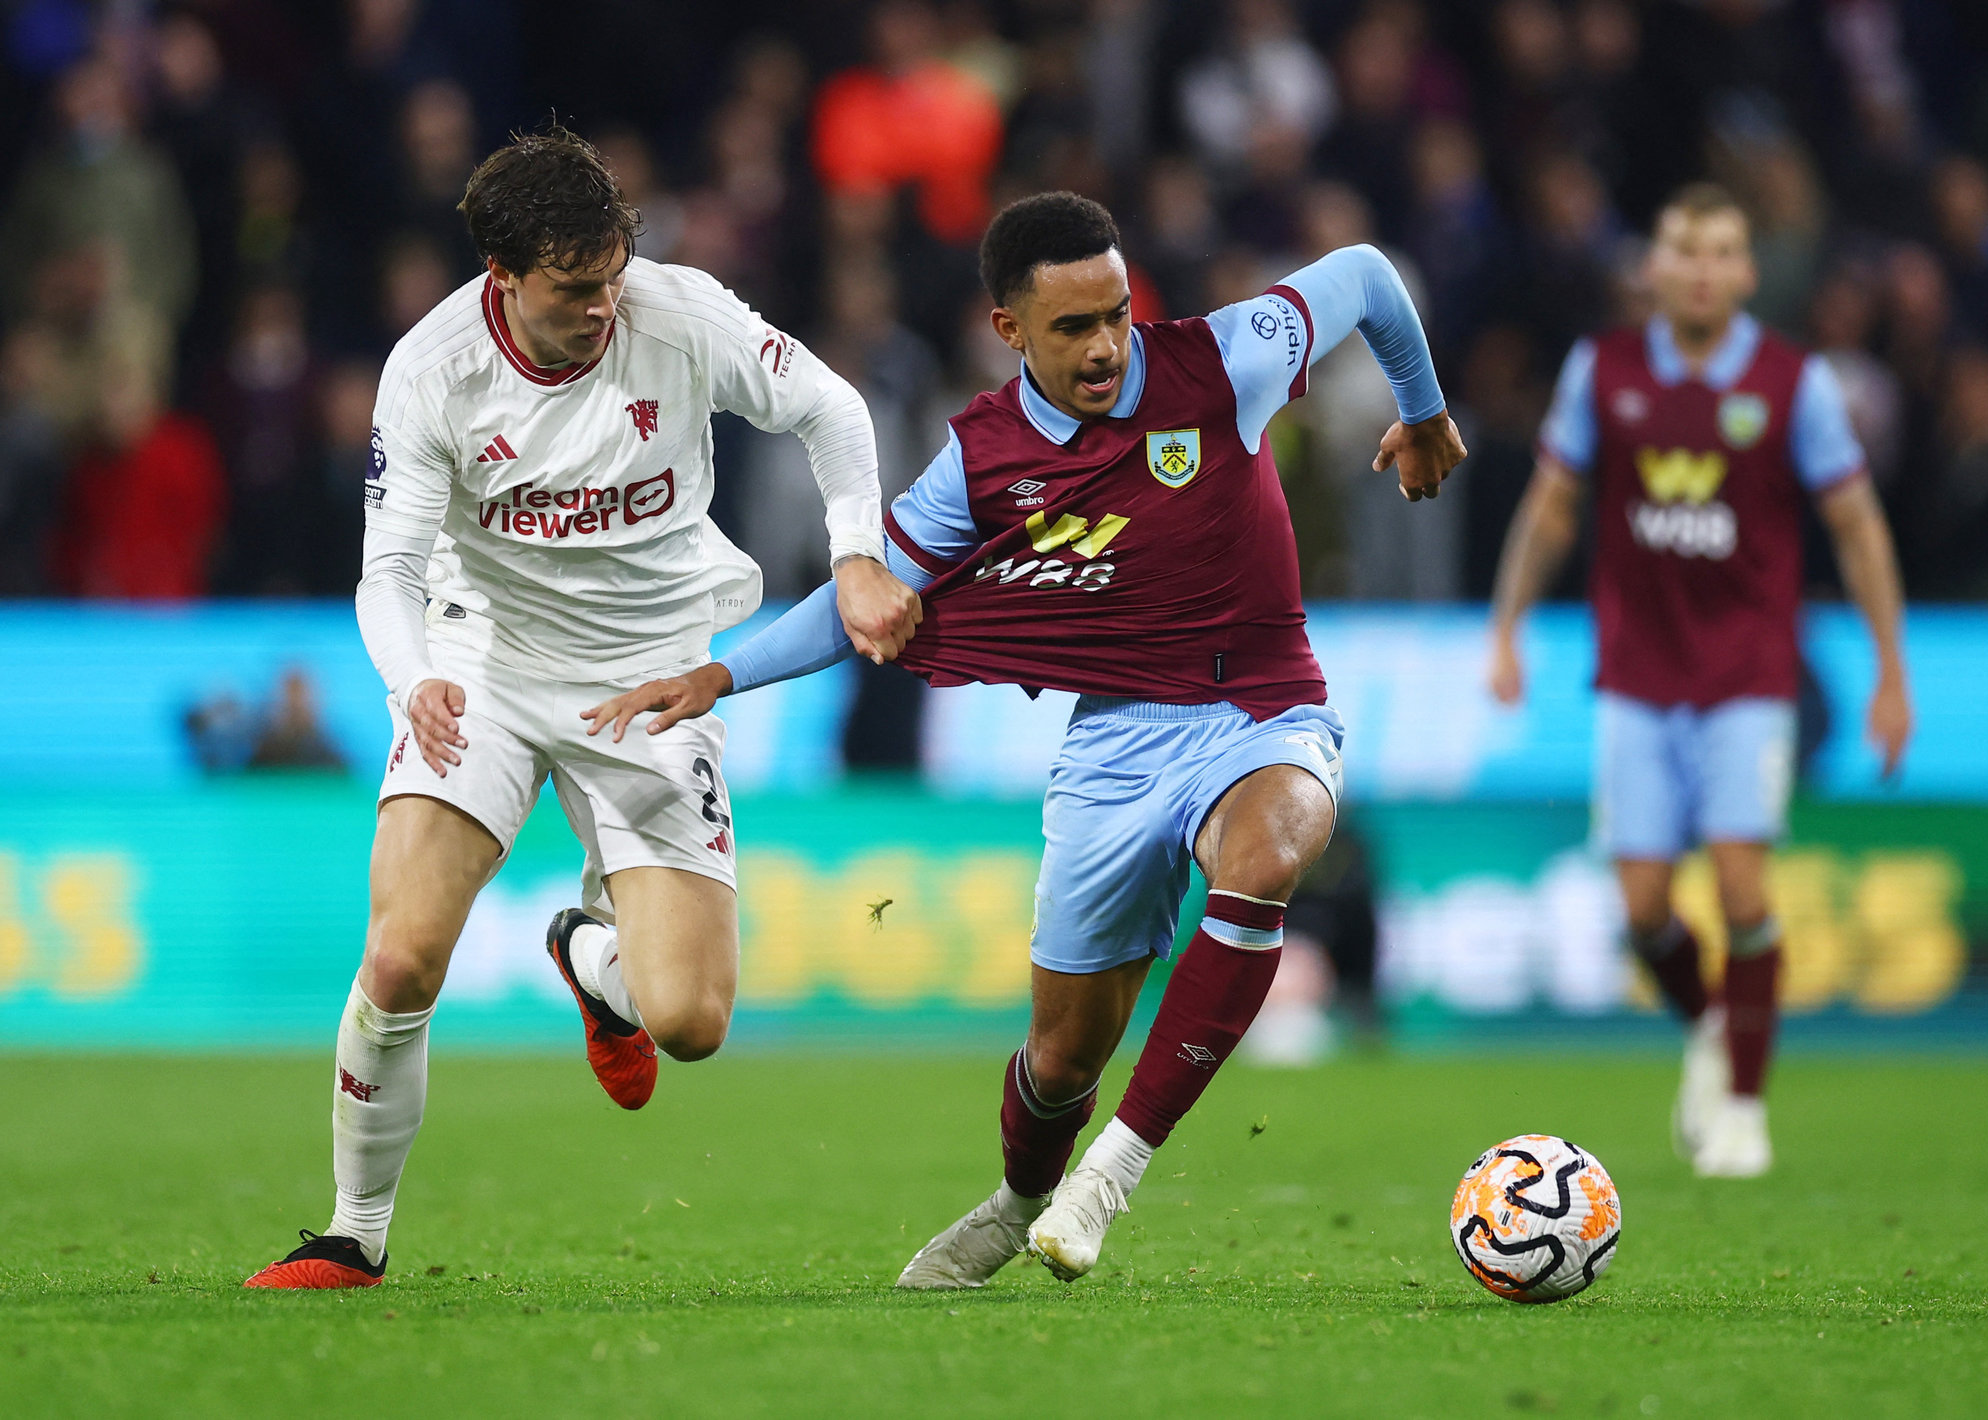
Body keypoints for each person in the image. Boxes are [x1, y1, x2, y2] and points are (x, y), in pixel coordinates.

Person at [584, 192, 1465, 1285]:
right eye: (1071, 328)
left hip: (1261, 708)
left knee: (1272, 852)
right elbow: (867, 598)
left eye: (1116, 313)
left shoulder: (1223, 360)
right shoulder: (981, 459)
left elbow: (1372, 275)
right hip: (1114, 743)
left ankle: (1109, 1178)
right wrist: (721, 670)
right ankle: (1019, 1199)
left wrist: (1422, 411)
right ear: (1008, 331)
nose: (1105, 348)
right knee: (1058, 1062)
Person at [244, 128, 919, 1289]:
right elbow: (388, 569)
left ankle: (588, 951)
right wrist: (416, 683)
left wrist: (855, 553)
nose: (606, 306)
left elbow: (832, 409)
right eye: (575, 289)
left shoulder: (680, 312)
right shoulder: (432, 369)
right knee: (402, 955)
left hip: (651, 676)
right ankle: (353, 1232)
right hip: (488, 666)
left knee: (692, 1022)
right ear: (502, 276)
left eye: (613, 276)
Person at [1486, 183, 1913, 1179]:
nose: (1703, 268)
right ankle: (1714, 1029)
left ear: (1746, 271)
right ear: (1656, 268)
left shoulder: (1789, 381)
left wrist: (1891, 670)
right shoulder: (1604, 370)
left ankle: (1745, 1107)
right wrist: (1506, 627)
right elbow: (1553, 507)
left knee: (1739, 884)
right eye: (1685, 250)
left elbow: (1854, 525)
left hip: (1746, 676)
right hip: (1633, 673)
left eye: (1722, 251)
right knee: (1641, 910)